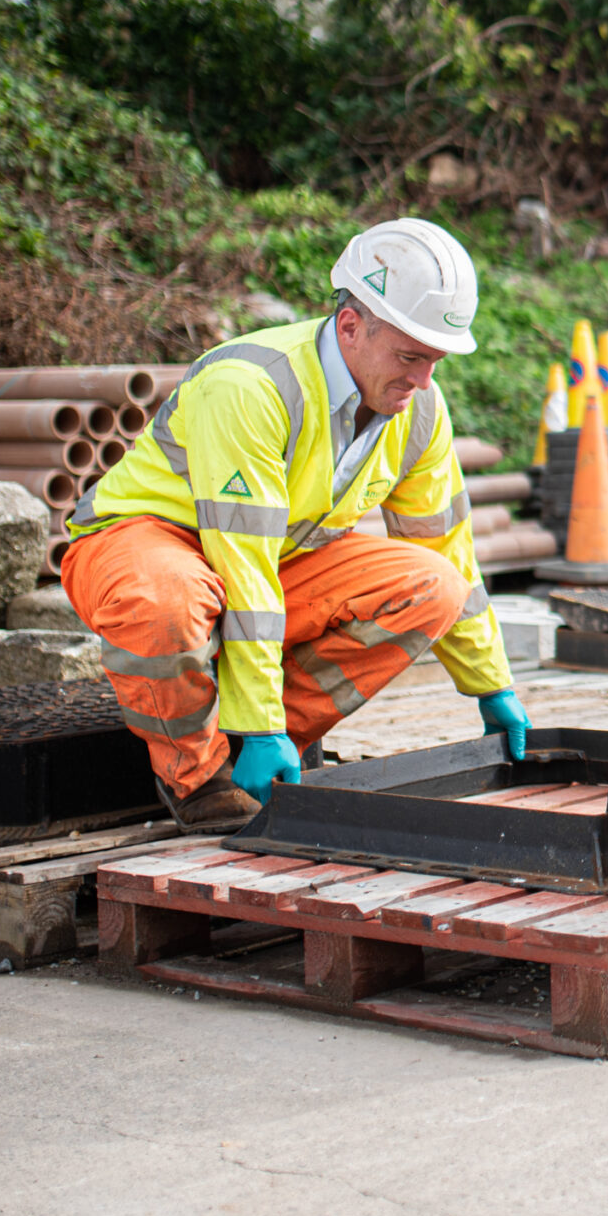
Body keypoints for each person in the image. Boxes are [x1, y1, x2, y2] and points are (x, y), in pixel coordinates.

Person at [63, 219, 529, 830]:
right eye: (411, 357)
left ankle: (247, 743)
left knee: (431, 585)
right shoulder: (252, 385)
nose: (423, 381)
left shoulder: (417, 412)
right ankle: (199, 778)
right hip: (148, 541)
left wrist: (490, 684)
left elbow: (450, 553)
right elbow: (242, 562)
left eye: (436, 361)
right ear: (351, 326)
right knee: (169, 600)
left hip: (271, 557)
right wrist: (264, 724)